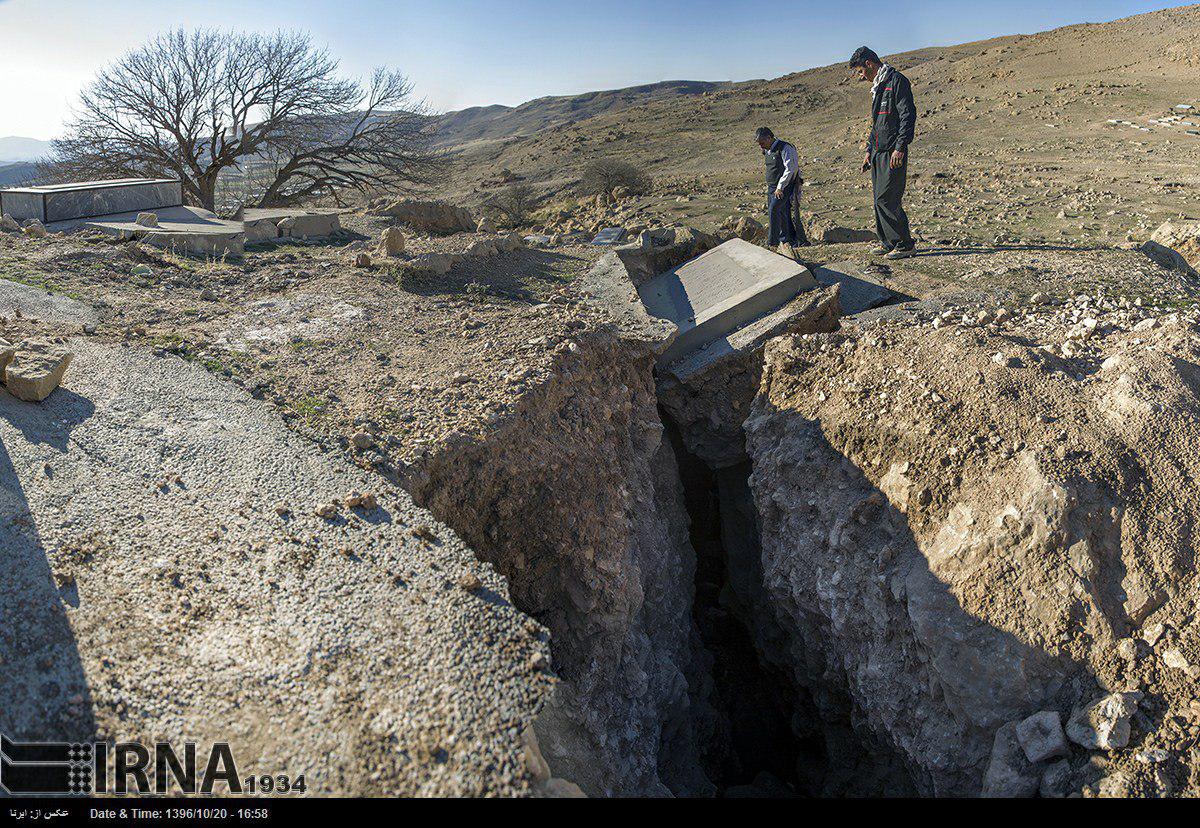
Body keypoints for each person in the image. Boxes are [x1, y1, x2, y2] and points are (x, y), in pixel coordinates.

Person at [849, 46, 916, 259]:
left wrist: (900, 147)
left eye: (861, 71)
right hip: (878, 151)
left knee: (889, 198)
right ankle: (887, 242)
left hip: (892, 152)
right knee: (879, 198)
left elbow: (907, 116)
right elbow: (877, 123)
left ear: (869, 63)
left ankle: (905, 244)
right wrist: (869, 149)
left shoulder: (896, 81)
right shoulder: (879, 86)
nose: (861, 76)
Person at [754, 127, 808, 260]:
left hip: (785, 186)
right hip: (772, 187)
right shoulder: (766, 150)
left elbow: (791, 169)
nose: (760, 146)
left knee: (774, 209)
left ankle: (772, 243)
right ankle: (787, 240)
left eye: (762, 142)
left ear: (769, 137)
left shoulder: (785, 148)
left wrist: (780, 187)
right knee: (783, 212)